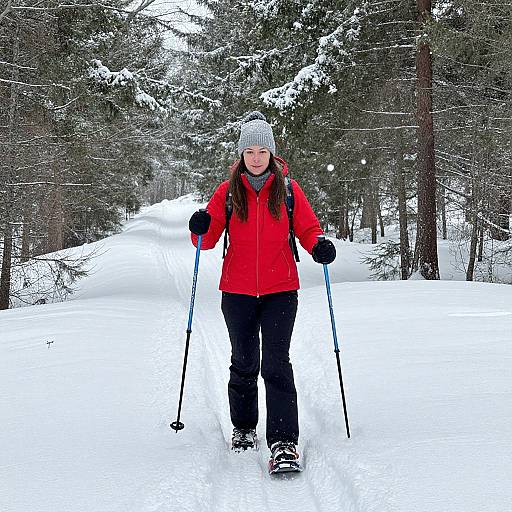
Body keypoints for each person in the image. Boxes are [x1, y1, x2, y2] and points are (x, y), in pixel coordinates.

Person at [188, 111, 336, 469]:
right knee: (243, 362)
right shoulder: (226, 192)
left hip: (280, 290)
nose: (256, 158)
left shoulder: (287, 190)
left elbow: (308, 228)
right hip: (237, 292)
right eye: (249, 151)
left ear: (272, 154)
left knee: (277, 364)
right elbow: (205, 242)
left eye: (262, 151)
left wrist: (318, 245)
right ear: (241, 155)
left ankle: (284, 441)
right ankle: (243, 427)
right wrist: (200, 226)